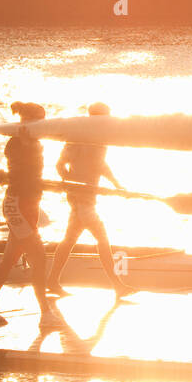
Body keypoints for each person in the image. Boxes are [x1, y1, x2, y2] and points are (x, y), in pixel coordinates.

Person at [0, 102, 63, 329]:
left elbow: (29, 173)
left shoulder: (33, 142)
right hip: (17, 204)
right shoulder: (17, 143)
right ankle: (45, 314)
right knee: (39, 258)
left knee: (9, 259)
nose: (42, 124)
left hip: (30, 203)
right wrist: (26, 145)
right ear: (27, 120)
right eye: (38, 120)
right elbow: (20, 172)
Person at [47, 102, 133, 298]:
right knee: (102, 239)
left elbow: (100, 164)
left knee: (69, 239)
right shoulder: (79, 137)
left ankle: (52, 280)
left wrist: (117, 184)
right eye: (106, 116)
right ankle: (118, 286)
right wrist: (70, 183)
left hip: (87, 197)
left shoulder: (99, 138)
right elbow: (61, 164)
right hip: (81, 198)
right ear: (98, 117)